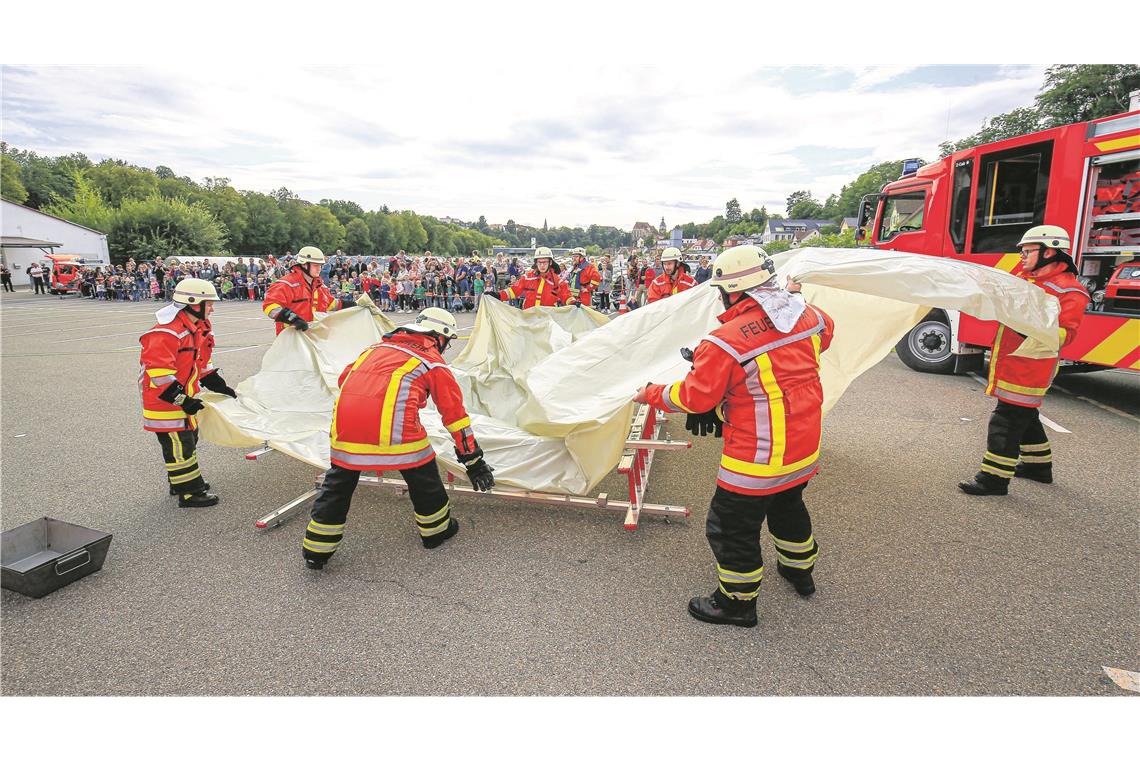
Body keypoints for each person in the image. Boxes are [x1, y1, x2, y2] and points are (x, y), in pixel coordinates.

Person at [633, 245, 834, 628]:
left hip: (756, 457)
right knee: (789, 508)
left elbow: (693, 397)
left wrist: (652, 394)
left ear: (732, 290)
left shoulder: (723, 341)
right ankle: (799, 572)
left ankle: (737, 603)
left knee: (731, 527)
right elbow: (821, 338)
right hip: (803, 448)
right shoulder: (808, 315)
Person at [302, 307, 496, 569]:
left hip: (345, 431)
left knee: (338, 486)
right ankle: (436, 532)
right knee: (424, 479)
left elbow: (344, 378)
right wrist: (473, 460)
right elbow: (454, 416)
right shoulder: (431, 361)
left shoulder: (372, 350)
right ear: (440, 337)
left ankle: (316, 551)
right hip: (397, 434)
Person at [958, 225, 1090, 496]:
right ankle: (1038, 468)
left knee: (1005, 421)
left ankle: (993, 479)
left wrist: (1027, 326)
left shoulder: (1069, 291)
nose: (1021, 256)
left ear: (1049, 251)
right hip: (1013, 363)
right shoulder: (1026, 278)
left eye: (1028, 251)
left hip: (1030, 367)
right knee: (1025, 415)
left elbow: (1066, 334)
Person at [138, 278, 237, 508]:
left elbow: (200, 362)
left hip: (182, 399)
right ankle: (190, 493)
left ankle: (180, 482)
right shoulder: (166, 333)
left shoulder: (198, 328)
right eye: (209, 303)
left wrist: (216, 383)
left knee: (187, 441)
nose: (212, 308)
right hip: (165, 404)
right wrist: (183, 401)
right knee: (180, 447)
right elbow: (160, 376)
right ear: (193, 303)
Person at [262, 246, 340, 335]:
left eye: (320, 265)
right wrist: (293, 319)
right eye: (315, 265)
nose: (319, 268)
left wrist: (353, 305)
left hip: (313, 338)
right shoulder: (286, 284)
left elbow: (330, 304)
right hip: (290, 338)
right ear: (304, 265)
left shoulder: (320, 286)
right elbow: (270, 306)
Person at [486, 247, 569, 309]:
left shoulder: (558, 281)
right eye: (539, 262)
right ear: (536, 263)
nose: (542, 265)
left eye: (545, 262)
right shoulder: (527, 277)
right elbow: (513, 291)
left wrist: (573, 302)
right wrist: (498, 295)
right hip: (528, 319)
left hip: (548, 320)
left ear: (550, 262)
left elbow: (566, 296)